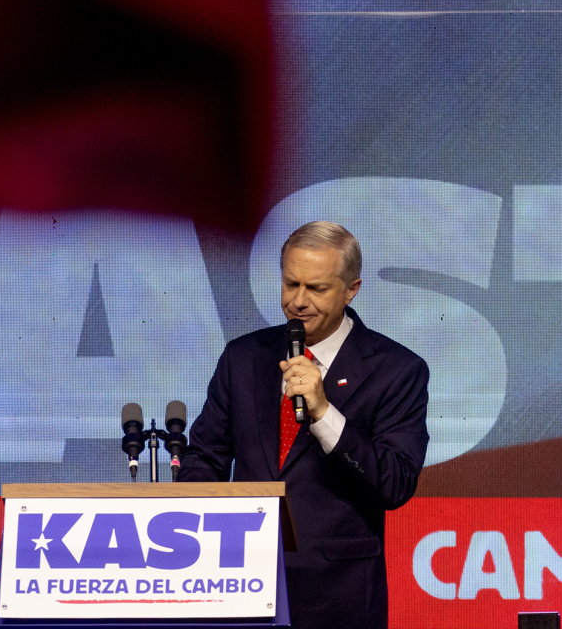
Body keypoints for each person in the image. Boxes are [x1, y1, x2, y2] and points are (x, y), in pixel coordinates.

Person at [177, 221, 430, 629]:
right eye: (290, 284)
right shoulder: (243, 358)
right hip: (238, 583)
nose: (298, 301)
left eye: (316, 288)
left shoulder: (396, 370)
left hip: (338, 595)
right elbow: (205, 458)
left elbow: (395, 484)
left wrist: (324, 413)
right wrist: (193, 539)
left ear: (352, 289)